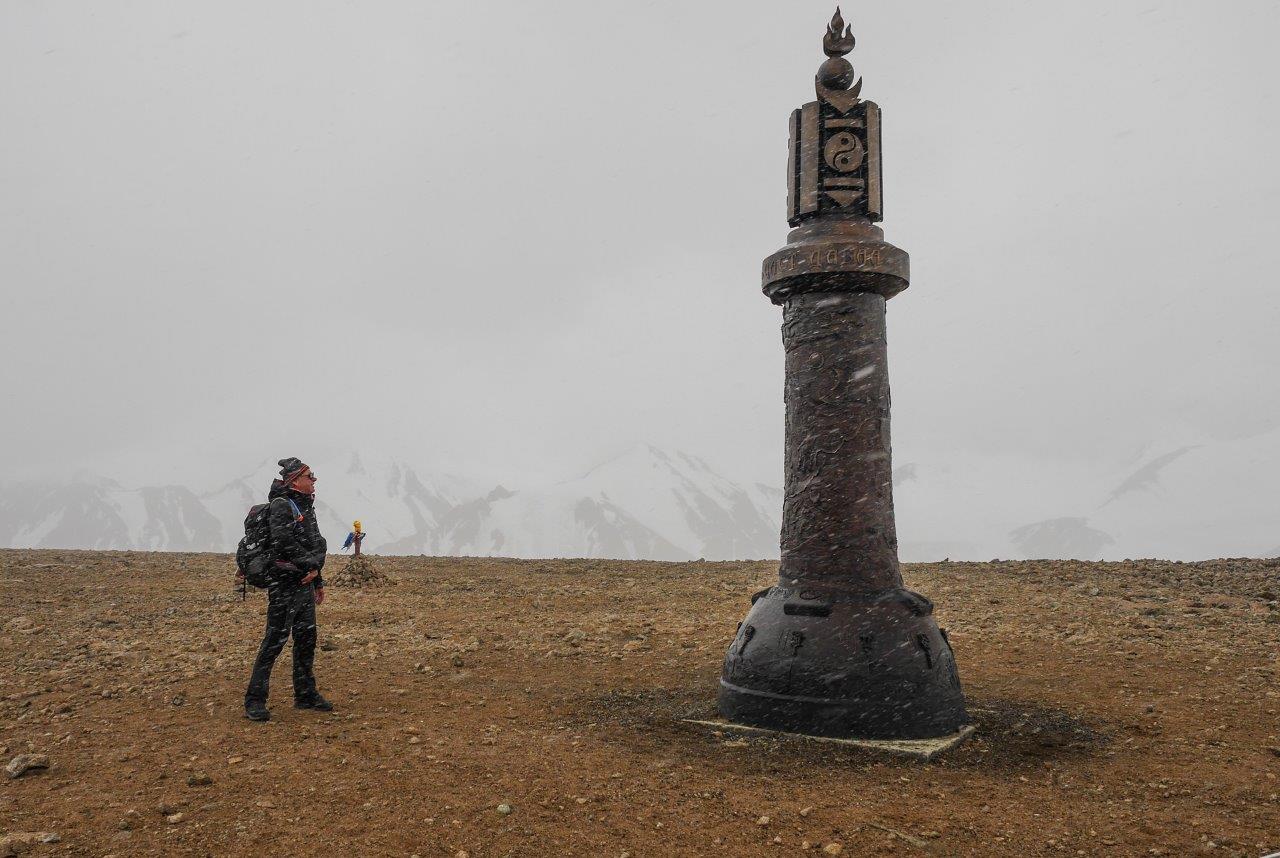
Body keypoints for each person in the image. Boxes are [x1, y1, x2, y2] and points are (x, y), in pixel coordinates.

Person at [244, 457, 332, 721]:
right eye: (310, 477)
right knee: (274, 641)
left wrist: (316, 578)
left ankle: (305, 694)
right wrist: (310, 566)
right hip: (284, 585)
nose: (314, 480)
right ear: (295, 481)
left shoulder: (307, 507)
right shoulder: (282, 506)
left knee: (306, 641)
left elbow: (316, 543)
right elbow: (283, 543)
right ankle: (254, 700)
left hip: (304, 586)